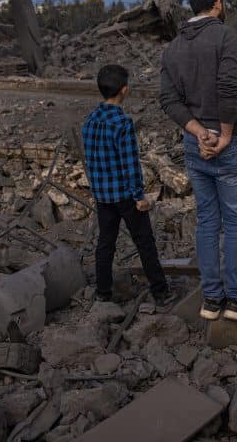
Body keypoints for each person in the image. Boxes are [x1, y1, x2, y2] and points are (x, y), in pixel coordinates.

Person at [160, 0, 237, 321]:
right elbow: (229, 85)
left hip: (195, 142)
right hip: (228, 141)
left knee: (206, 221)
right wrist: (225, 134)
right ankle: (236, 301)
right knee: (233, 224)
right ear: (217, 4)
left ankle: (211, 300)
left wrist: (199, 132)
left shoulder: (172, 48)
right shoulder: (225, 36)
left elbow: (168, 100)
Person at [82, 64, 175, 308]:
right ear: (124, 90)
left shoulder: (90, 120)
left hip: (103, 196)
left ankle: (103, 292)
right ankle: (161, 292)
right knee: (144, 241)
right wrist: (139, 196)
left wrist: (97, 189)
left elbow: (90, 161)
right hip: (125, 195)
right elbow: (130, 164)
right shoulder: (122, 122)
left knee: (105, 243)